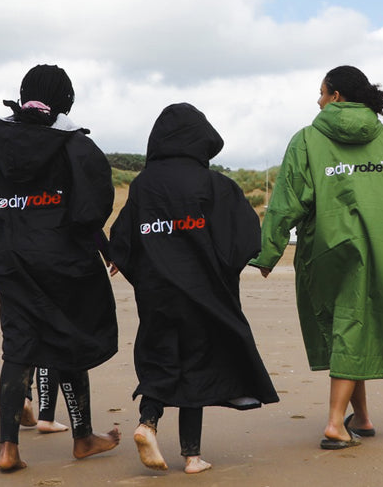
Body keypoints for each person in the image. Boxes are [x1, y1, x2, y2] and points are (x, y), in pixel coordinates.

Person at [249, 65, 383, 450]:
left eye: (322, 92)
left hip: (327, 247)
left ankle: (339, 423)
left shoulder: (307, 139)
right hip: (382, 246)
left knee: (347, 325)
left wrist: (267, 252)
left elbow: (286, 202)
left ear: (336, 96)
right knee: (354, 325)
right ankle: (354, 417)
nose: (318, 99)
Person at [0, 64, 120, 472]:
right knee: (71, 341)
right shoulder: (73, 145)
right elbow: (92, 208)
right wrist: (97, 247)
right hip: (65, 265)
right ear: (65, 100)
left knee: (18, 349)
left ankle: (8, 448)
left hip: (13, 268)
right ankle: (82, 437)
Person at [110, 103, 279, 474]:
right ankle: (191, 456)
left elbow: (123, 235)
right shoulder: (213, 184)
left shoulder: (144, 185)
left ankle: (147, 423)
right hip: (201, 294)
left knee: (161, 359)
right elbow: (246, 236)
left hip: (156, 294)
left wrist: (123, 257)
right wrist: (224, 268)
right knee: (197, 366)